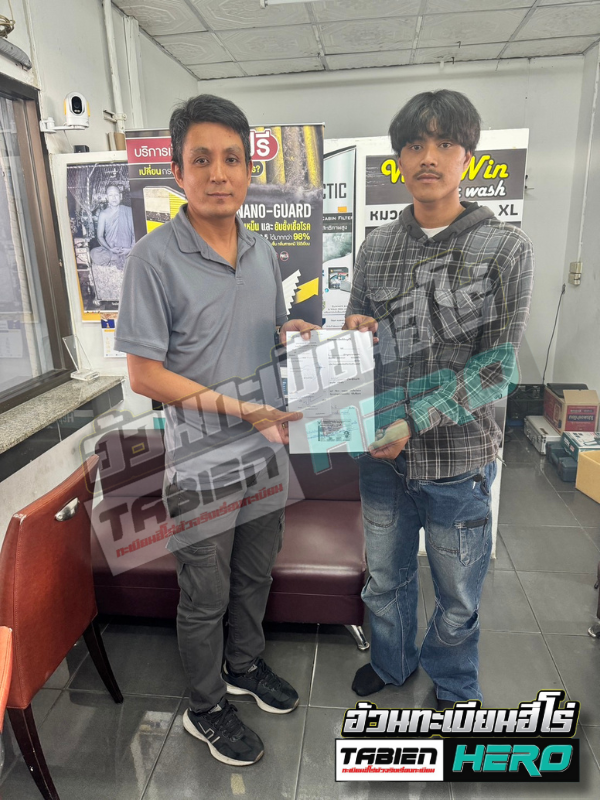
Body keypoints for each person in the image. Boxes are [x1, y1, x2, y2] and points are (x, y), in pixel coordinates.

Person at [115, 94, 318, 766]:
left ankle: (244, 666)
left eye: (232, 158)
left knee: (255, 578)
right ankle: (205, 707)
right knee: (205, 597)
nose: (218, 173)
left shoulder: (261, 251)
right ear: (177, 171)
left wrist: (288, 334)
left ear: (249, 170)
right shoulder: (152, 259)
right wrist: (240, 410)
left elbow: (259, 335)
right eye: (201, 159)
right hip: (200, 467)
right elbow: (145, 375)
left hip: (266, 454)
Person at [345, 90, 534, 709]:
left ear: (467, 157)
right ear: (399, 159)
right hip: (382, 458)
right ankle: (392, 661)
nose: (429, 156)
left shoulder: (505, 250)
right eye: (415, 144)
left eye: (444, 143)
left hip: (459, 461)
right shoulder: (376, 247)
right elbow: (358, 331)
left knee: (457, 592)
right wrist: (354, 332)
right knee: (384, 578)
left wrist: (413, 419)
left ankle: (454, 682)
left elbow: (496, 369)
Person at [90, 184, 135, 270]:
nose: (114, 198)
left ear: (120, 196)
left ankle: (122, 257)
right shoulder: (103, 214)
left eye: (116, 195)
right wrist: (110, 249)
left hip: (127, 248)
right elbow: (100, 237)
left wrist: (130, 249)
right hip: (110, 249)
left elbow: (135, 233)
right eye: (110, 195)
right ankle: (116, 257)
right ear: (107, 197)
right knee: (94, 253)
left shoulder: (129, 211)